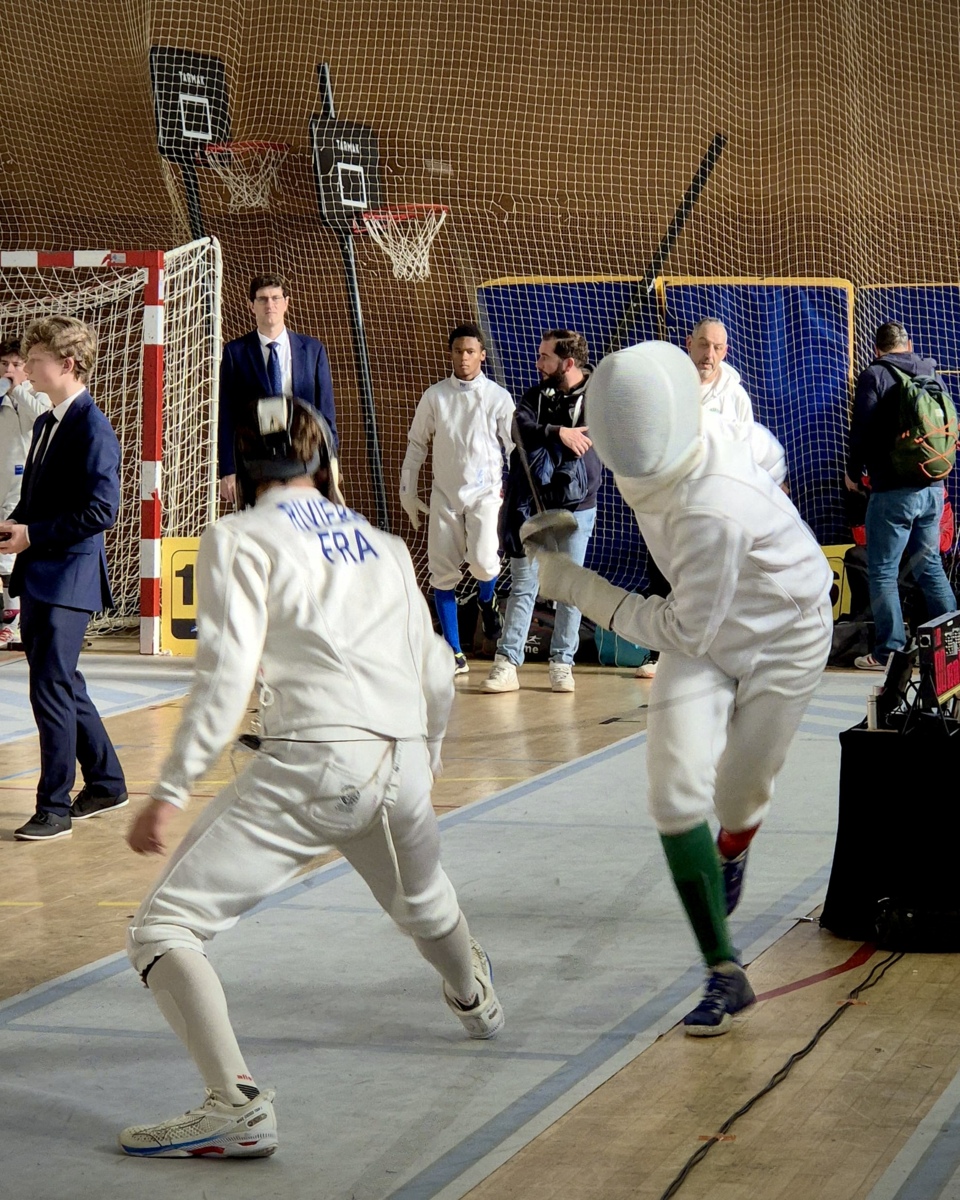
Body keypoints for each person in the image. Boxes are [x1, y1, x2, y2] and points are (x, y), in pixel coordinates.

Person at [120, 397, 503, 1159]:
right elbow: (436, 668)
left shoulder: (238, 537)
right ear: (322, 463)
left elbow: (226, 678)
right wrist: (423, 757)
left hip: (315, 765)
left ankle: (234, 1106)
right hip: (399, 758)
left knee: (163, 929)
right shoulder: (383, 543)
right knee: (423, 901)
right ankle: (473, 999)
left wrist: (169, 789)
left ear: (244, 469)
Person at [522, 341, 832, 1035]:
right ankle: (724, 969)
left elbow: (681, 629)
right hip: (706, 627)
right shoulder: (689, 436)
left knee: (740, 794)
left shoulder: (710, 510)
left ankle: (734, 844)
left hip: (786, 635)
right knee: (672, 790)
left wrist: (576, 585)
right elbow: (772, 453)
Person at [0, 317, 128, 841]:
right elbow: (37, 501)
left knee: (49, 688)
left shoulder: (92, 427)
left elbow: (102, 510)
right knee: (63, 682)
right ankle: (107, 783)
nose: (26, 368)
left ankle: (53, 808)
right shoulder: (47, 422)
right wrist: (14, 528)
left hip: (68, 577)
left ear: (67, 364)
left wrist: (32, 535)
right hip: (43, 574)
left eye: (35, 360)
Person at [638, 319, 759, 681]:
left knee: (715, 582)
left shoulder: (735, 396)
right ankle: (659, 654)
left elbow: (747, 451)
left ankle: (721, 657)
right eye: (704, 344)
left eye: (717, 348)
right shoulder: (667, 386)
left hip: (715, 506)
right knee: (664, 577)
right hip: (668, 502)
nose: (709, 354)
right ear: (689, 343)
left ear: (726, 351)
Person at [482, 330, 602, 694]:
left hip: (578, 508)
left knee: (570, 589)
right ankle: (507, 662)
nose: (538, 363)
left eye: (545, 357)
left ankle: (562, 663)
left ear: (568, 363)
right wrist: (558, 432)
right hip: (533, 506)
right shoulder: (535, 396)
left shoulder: (598, 398)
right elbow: (520, 427)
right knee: (524, 585)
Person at [400, 324, 515, 674]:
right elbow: (417, 443)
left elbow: (514, 447)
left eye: (470, 352)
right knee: (442, 573)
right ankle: (454, 651)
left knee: (483, 562)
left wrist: (516, 494)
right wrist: (408, 489)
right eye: (458, 351)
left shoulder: (497, 397)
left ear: (482, 355)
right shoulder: (435, 396)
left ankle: (486, 599)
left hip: (485, 494)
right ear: (450, 354)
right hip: (445, 496)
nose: (464, 358)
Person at [845, 321, 956, 670]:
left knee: (882, 571)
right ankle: (953, 649)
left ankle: (888, 652)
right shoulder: (930, 373)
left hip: (893, 490)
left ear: (876, 349)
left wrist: (853, 473)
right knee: (930, 567)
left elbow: (860, 431)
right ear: (908, 345)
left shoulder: (874, 375)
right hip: (933, 487)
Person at [217, 274, 337, 504]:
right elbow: (227, 415)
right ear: (251, 306)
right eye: (262, 299)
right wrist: (228, 470)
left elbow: (325, 412)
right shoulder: (235, 352)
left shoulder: (312, 350)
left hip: (305, 457)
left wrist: (331, 460)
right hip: (257, 461)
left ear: (286, 303)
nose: (269, 305)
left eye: (275, 298)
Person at [0, 337, 51, 649]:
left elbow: (42, 419)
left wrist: (18, 389)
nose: (9, 369)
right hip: (0, 478)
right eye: (4, 364)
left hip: (22, 485)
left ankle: (12, 624)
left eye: (16, 364)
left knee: (6, 553)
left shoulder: (37, 397)